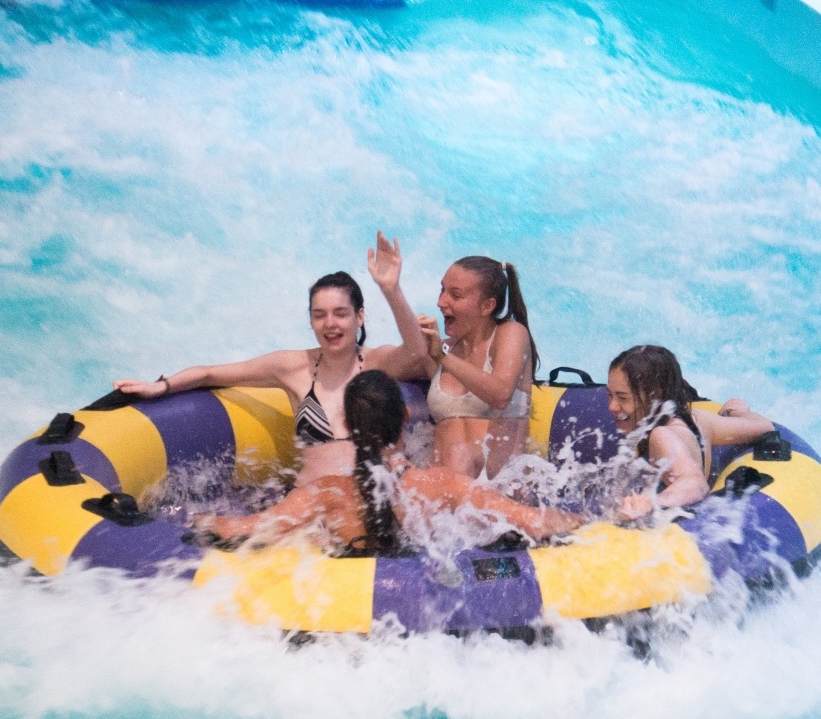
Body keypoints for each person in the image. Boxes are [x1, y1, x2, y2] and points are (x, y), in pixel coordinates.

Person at [114, 234, 432, 485]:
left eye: (340, 314)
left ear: (360, 317)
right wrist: (160, 386)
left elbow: (417, 354)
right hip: (310, 509)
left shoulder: (376, 364)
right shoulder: (291, 366)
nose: (330, 324)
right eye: (319, 315)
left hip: (374, 507)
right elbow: (210, 373)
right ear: (310, 320)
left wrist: (391, 289)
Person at [194, 371, 582, 554]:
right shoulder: (443, 486)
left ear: (346, 425)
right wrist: (592, 523)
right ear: (405, 419)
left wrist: (197, 522)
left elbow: (243, 529)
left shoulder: (324, 494)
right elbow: (535, 522)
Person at [606, 344, 778, 521]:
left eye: (623, 398)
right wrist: (731, 412)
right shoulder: (696, 420)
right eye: (610, 395)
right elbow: (764, 426)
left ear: (654, 397)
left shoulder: (661, 435)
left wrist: (651, 503)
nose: (611, 406)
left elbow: (695, 484)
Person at [419, 256, 537, 479]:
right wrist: (390, 289)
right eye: (442, 290)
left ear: (487, 306)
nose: (441, 302)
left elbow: (500, 394)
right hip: (445, 488)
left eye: (455, 295)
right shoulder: (444, 348)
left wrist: (441, 357)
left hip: (496, 489)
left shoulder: (510, 333)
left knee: (459, 454)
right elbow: (405, 350)